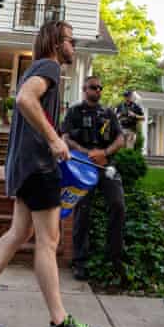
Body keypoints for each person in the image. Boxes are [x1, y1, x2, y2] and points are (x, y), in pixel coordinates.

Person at [0, 20, 105, 327]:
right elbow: (24, 99)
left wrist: (56, 138)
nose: (73, 46)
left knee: (17, 234)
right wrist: (53, 140)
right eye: (70, 40)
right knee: (48, 242)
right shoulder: (48, 66)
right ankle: (60, 323)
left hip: (26, 166)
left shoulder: (40, 69)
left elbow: (32, 108)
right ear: (55, 41)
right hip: (38, 167)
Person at [61, 76, 126, 281]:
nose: (97, 90)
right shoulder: (74, 112)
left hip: (107, 166)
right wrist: (86, 153)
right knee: (82, 212)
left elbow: (120, 138)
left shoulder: (108, 113)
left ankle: (114, 256)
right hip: (82, 168)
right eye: (93, 87)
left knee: (118, 204)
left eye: (100, 87)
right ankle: (79, 261)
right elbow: (65, 137)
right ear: (84, 89)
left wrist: (104, 153)